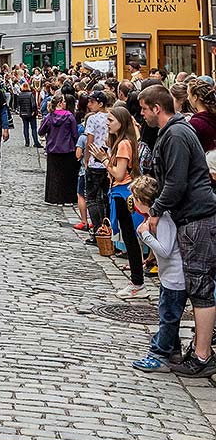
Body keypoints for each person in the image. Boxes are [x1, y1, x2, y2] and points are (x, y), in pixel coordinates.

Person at [140, 85, 216, 377]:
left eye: (145, 109)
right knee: (198, 285)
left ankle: (202, 356)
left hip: (197, 217)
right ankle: (198, 348)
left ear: (157, 108)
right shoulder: (176, 131)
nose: (143, 114)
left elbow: (176, 183)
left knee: (199, 288)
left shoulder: (175, 134)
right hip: (195, 215)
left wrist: (156, 211)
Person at [130, 175, 187, 372]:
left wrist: (145, 235)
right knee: (169, 315)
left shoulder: (163, 219)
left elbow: (165, 250)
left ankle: (160, 353)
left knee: (168, 317)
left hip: (175, 278)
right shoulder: (157, 219)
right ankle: (174, 351)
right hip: (169, 276)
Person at [90, 106, 145, 298]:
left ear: (121, 122)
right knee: (130, 237)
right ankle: (137, 280)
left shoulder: (123, 144)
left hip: (123, 192)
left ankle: (137, 282)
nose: (107, 123)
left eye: (111, 120)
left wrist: (104, 160)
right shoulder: (124, 141)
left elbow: (119, 173)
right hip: (123, 191)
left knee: (130, 237)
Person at [39, 93, 78, 205]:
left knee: (53, 174)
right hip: (67, 149)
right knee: (66, 175)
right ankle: (66, 199)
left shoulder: (50, 117)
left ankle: (54, 197)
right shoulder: (70, 116)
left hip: (53, 149)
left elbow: (41, 131)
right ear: (61, 103)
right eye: (64, 101)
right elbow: (75, 134)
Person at [83, 91, 110, 246]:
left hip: (95, 161)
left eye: (92, 102)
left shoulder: (93, 119)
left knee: (92, 198)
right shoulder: (111, 117)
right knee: (105, 198)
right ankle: (108, 230)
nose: (89, 104)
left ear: (100, 103)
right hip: (108, 161)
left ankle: (98, 231)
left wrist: (87, 160)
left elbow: (89, 141)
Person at [16, 82, 40, 148]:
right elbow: (33, 104)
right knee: (34, 128)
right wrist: (34, 111)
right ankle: (36, 142)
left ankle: (27, 142)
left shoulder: (20, 95)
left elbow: (18, 105)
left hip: (23, 113)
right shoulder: (31, 94)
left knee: (25, 128)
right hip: (31, 113)